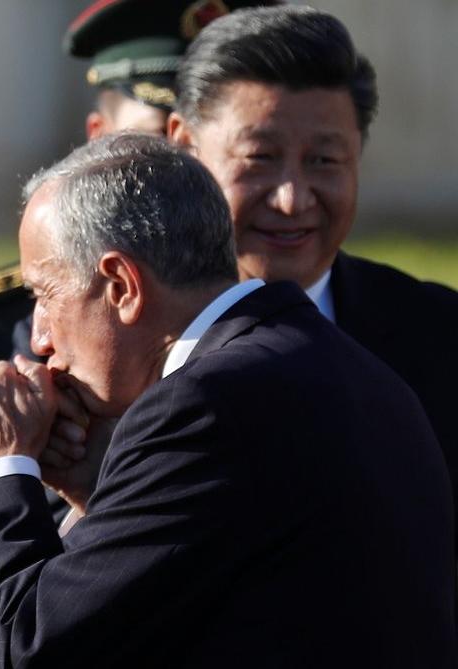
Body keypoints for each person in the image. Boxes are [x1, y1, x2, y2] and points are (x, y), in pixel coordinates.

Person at [0, 133, 457, 669]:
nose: (39, 339)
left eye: (45, 295)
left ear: (121, 286)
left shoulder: (207, 405)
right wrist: (100, 492)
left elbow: (33, 650)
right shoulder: (336, 365)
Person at [0, 2, 273, 669]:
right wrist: (87, 489)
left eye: (198, 150)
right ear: (97, 139)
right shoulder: (5, 328)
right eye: (157, 146)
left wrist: (2, 469)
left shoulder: (213, 392)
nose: (179, 177)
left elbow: (42, 642)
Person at [166, 5, 458, 550]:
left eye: (324, 161)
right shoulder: (103, 338)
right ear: (184, 147)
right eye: (260, 157)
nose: (292, 199)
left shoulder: (439, 338)